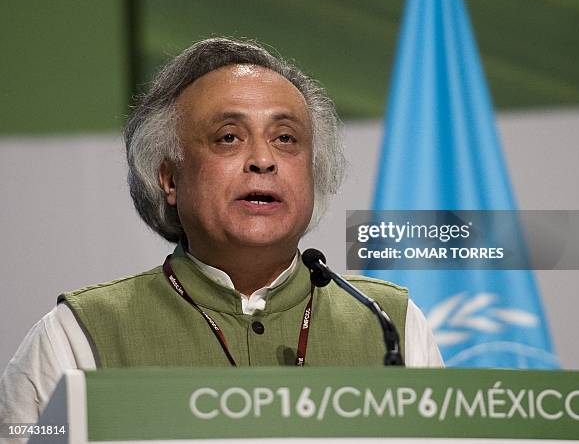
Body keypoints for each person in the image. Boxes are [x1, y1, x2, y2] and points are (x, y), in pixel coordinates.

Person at [0, 37, 442, 424]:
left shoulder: (390, 324)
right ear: (170, 179)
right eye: (228, 137)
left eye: (286, 138)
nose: (263, 160)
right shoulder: (79, 335)